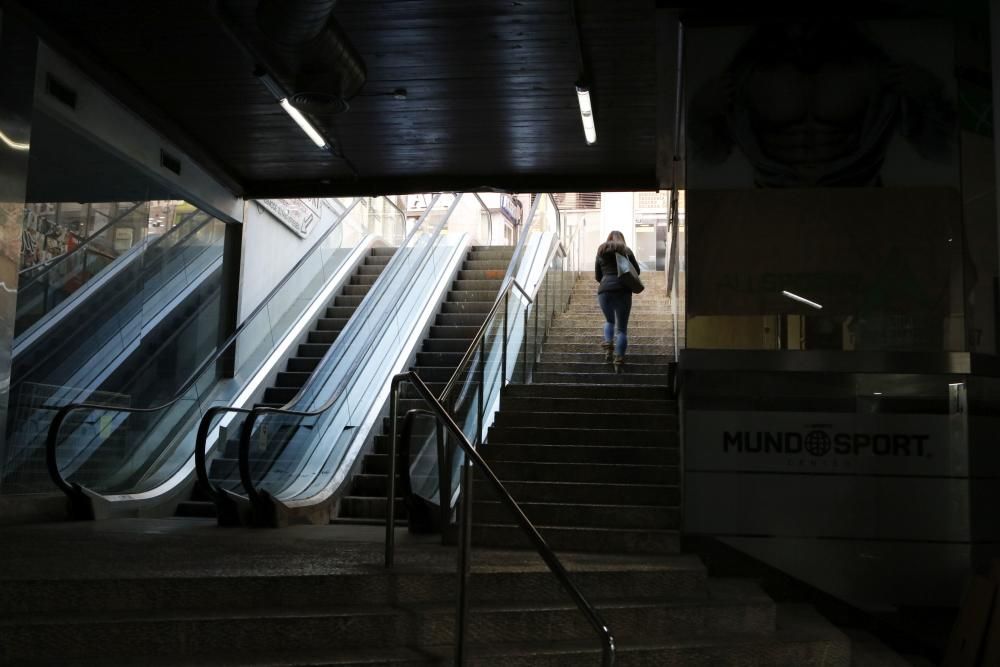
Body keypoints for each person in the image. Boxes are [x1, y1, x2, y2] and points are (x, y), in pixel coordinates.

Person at [595, 231, 639, 373]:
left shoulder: (601, 250)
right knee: (621, 329)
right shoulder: (626, 250)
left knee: (609, 321)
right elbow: (636, 271)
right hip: (623, 290)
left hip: (605, 290)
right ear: (622, 239)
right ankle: (619, 359)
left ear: (608, 238)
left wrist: (607, 277)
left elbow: (597, 275)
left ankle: (608, 345)